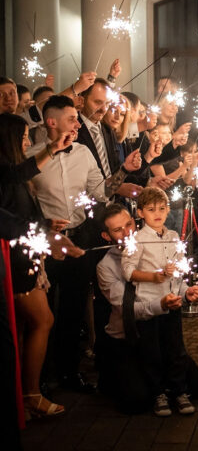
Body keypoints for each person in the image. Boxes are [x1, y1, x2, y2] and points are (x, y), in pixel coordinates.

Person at [28, 95, 142, 391]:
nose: (77, 124)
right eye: (71, 119)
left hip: (80, 239)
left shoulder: (83, 152)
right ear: (51, 122)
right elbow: (26, 203)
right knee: (43, 313)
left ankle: (69, 372)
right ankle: (40, 378)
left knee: (74, 308)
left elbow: (101, 191)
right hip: (44, 244)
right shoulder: (32, 157)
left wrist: (124, 171)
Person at [0, 113, 77, 418]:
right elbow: (12, 217)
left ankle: (22, 394)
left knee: (24, 325)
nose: (26, 143)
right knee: (42, 320)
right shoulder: (6, 175)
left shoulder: (14, 176)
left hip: (26, 253)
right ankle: (31, 394)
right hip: (16, 260)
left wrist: (45, 224)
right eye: (22, 138)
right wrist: (52, 149)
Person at [96, 203, 198, 414]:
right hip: (127, 339)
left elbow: (172, 281)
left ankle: (164, 385)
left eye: (129, 225)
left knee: (196, 387)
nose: (127, 233)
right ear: (106, 236)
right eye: (118, 230)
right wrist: (160, 304)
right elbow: (128, 310)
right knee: (137, 400)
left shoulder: (152, 244)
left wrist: (185, 293)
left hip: (159, 333)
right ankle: (112, 377)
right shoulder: (106, 266)